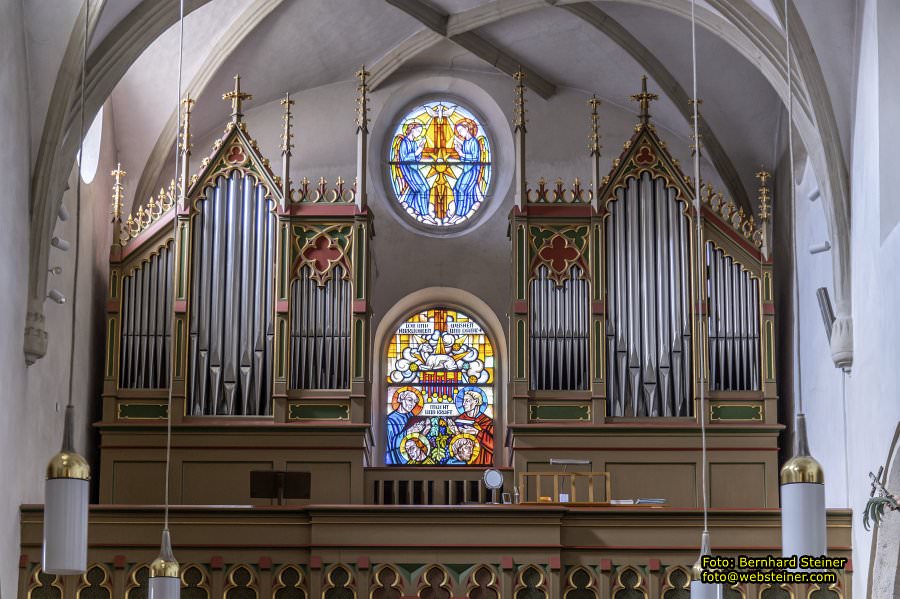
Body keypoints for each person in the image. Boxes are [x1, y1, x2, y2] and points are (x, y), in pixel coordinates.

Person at [393, 122, 430, 216]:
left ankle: (413, 207)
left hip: (414, 169)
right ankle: (424, 213)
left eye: (420, 131)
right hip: (408, 170)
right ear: (411, 129)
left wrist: (420, 149)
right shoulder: (404, 142)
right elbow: (404, 158)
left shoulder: (413, 143)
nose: (419, 133)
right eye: (418, 130)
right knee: (422, 189)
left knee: (425, 188)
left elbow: (417, 158)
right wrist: (418, 152)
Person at [451, 118, 485, 220]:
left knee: (462, 189)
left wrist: (461, 153)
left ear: (467, 129)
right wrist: (459, 151)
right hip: (466, 169)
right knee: (456, 189)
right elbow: (463, 158)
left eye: (461, 130)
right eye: (459, 131)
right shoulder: (465, 142)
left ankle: (461, 214)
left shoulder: (474, 142)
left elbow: (474, 158)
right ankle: (459, 211)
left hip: (472, 170)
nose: (460, 133)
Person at [385, 390, 428, 464]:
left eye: (415, 402)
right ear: (400, 400)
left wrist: (425, 429)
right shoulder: (390, 421)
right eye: (410, 400)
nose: (412, 404)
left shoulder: (412, 417)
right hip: (397, 461)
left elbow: (416, 441)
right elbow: (390, 445)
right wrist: (409, 431)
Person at [454, 389, 494, 465]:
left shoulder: (487, 422)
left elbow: (495, 447)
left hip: (484, 462)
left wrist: (477, 432)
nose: (463, 404)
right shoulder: (459, 420)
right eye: (463, 401)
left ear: (476, 402)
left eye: (467, 401)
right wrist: (456, 432)